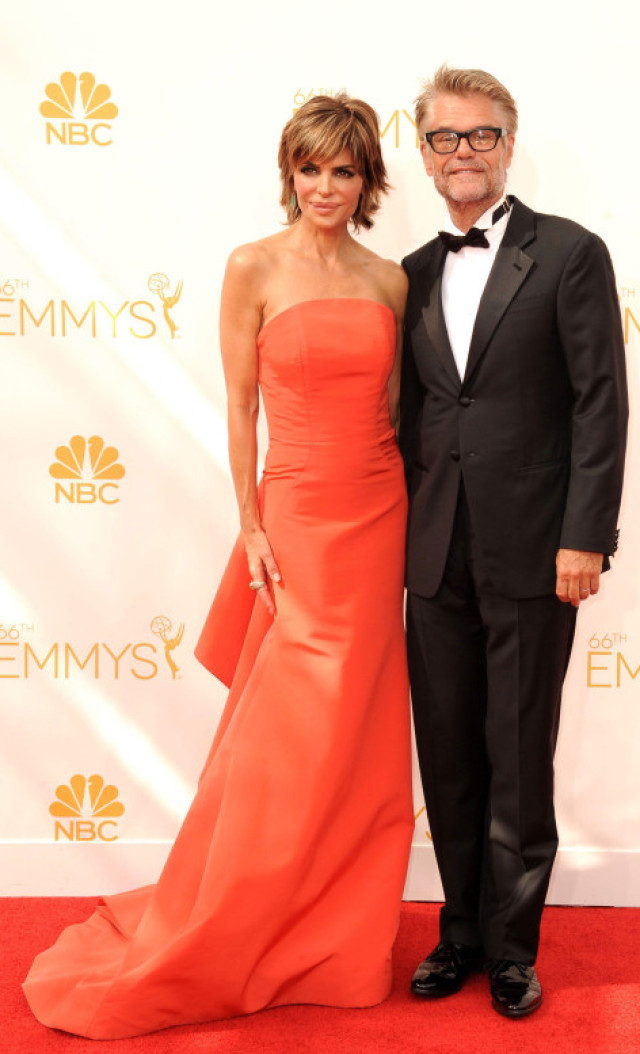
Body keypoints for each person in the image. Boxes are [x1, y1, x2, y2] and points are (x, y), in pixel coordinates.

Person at [23, 94, 413, 1039]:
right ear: (289, 172)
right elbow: (240, 410)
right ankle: (234, 923)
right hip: (295, 516)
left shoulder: (390, 281)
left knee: (358, 737)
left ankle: (335, 940)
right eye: (311, 168)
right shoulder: (251, 268)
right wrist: (253, 525)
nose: (325, 187)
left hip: (377, 512)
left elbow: (398, 412)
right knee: (282, 743)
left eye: (344, 171)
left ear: (367, 181)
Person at [399, 66, 628, 1019]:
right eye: (447, 137)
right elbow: (409, 416)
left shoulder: (569, 253)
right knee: (449, 754)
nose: (464, 152)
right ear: (422, 151)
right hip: (434, 552)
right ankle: (457, 932)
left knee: (518, 755)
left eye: (481, 136)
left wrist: (586, 536)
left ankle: (512, 951)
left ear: (509, 143)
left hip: (539, 552)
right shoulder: (407, 273)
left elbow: (599, 403)